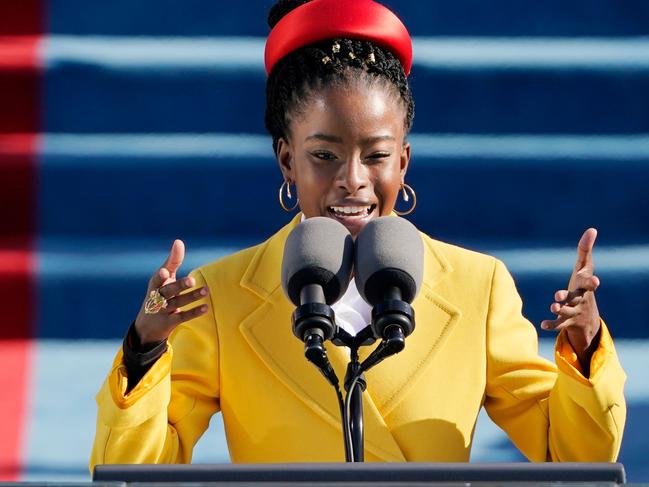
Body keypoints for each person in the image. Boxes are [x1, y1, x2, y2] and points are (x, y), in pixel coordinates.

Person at [90, 0, 626, 467]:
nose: (353, 179)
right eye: (324, 155)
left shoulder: (477, 286)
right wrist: (144, 351)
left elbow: (573, 454)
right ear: (286, 161)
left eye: (377, 156)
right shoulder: (222, 296)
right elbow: (135, 471)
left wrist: (583, 347)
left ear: (404, 161)